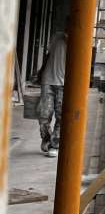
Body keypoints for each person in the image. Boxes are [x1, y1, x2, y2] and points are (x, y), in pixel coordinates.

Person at [37, 29, 68, 157]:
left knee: (61, 115)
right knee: (43, 114)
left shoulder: (80, 40)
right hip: (48, 80)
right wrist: (41, 71)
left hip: (64, 83)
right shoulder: (56, 35)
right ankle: (47, 139)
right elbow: (48, 55)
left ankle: (55, 144)